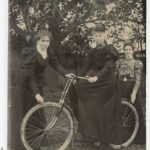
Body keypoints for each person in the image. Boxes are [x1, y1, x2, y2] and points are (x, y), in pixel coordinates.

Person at [10, 30, 68, 150]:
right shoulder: (32, 54)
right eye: (42, 41)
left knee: (37, 114)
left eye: (47, 41)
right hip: (24, 87)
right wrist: (36, 93)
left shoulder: (47, 51)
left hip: (36, 86)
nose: (45, 43)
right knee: (23, 114)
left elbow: (55, 64)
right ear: (37, 41)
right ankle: (20, 146)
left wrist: (67, 74)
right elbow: (30, 76)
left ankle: (36, 143)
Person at [70, 24, 122, 150]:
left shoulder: (110, 49)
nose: (97, 38)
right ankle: (94, 134)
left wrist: (97, 77)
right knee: (79, 91)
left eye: (100, 35)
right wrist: (76, 77)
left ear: (105, 35)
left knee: (103, 108)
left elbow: (108, 66)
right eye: (95, 35)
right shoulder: (93, 51)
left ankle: (107, 137)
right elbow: (86, 66)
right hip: (96, 80)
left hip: (106, 81)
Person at [116, 42, 146, 144]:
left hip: (131, 88)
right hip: (120, 87)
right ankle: (121, 135)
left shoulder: (137, 63)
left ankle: (137, 137)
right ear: (124, 51)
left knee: (134, 111)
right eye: (126, 49)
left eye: (129, 49)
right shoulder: (119, 62)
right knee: (120, 111)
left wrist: (134, 92)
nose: (128, 51)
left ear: (133, 51)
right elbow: (115, 76)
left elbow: (138, 79)